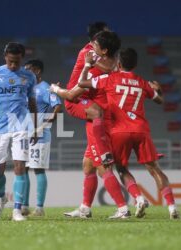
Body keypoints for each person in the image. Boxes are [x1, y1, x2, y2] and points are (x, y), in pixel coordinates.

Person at [78, 48, 180, 219]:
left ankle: (139, 198)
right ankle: (172, 207)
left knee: (121, 168)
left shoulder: (109, 78)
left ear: (118, 63)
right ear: (135, 64)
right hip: (141, 130)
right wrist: (159, 90)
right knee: (154, 168)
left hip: (119, 131)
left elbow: (81, 83)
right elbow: (159, 100)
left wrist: (88, 64)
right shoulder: (142, 82)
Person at [51, 31, 131, 219]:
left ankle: (122, 208)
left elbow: (71, 95)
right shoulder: (112, 65)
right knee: (88, 166)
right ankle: (85, 209)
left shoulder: (97, 69)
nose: (90, 47)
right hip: (102, 114)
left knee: (101, 165)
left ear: (104, 50)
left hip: (94, 116)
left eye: (94, 45)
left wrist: (54, 89)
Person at [0, 42, 38, 221]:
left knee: (20, 167)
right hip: (0, 127)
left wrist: (35, 127)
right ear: (5, 56)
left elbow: (32, 103)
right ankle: (1, 197)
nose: (13, 65)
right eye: (11, 61)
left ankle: (17, 211)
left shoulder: (29, 76)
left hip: (21, 126)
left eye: (17, 62)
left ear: (22, 59)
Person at [21, 59, 62, 216]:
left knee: (38, 169)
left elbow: (57, 104)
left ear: (37, 71)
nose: (25, 73)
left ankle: (39, 208)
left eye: (28, 69)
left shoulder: (45, 88)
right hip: (24, 134)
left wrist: (52, 116)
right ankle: (24, 206)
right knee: (22, 168)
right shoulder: (25, 89)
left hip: (40, 133)